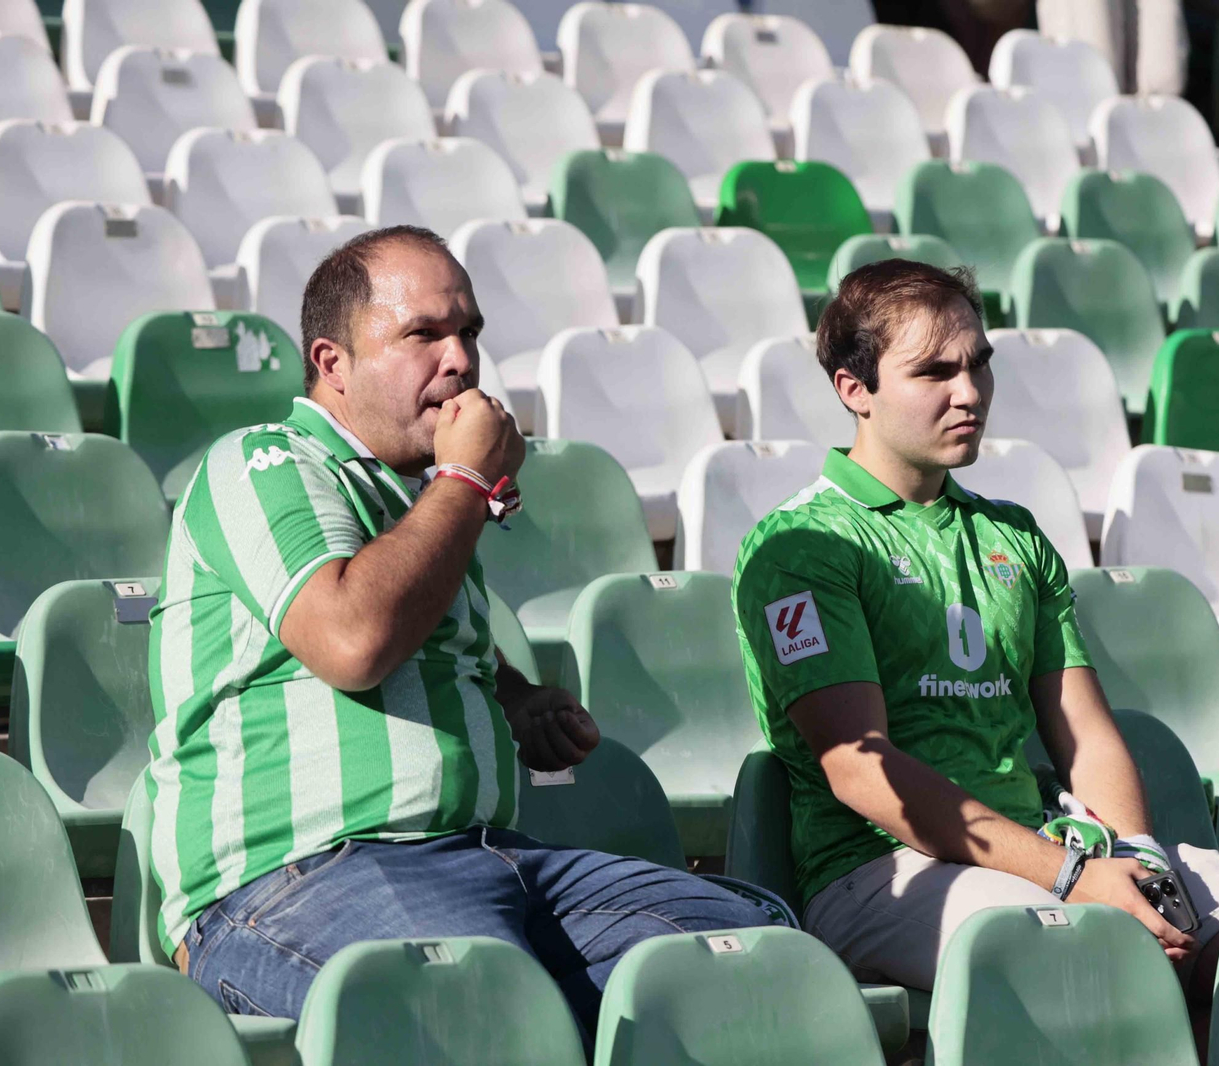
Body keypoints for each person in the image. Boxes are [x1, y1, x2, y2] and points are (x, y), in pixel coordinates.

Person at [146, 224, 770, 1027]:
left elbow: (424, 641)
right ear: (332, 363)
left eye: (469, 331)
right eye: (424, 334)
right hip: (295, 881)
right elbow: (353, 641)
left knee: (753, 950)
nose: (462, 359)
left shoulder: (420, 501)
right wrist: (467, 479)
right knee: (481, 1003)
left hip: (488, 861)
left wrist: (515, 701)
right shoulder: (263, 462)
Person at [730, 259, 1219, 995]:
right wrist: (1074, 876)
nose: (969, 394)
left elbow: (1083, 735)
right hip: (879, 874)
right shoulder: (802, 546)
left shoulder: (1014, 535)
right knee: (1096, 955)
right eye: (933, 373)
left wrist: (1140, 859)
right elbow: (861, 769)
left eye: (978, 366)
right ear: (854, 390)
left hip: (1044, 853)